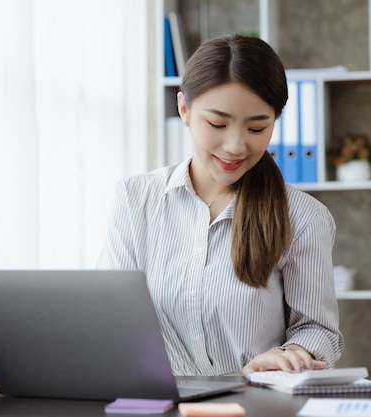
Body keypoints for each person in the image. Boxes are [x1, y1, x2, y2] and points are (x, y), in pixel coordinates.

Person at [97, 33, 344, 377]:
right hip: (156, 403)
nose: (235, 146)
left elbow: (319, 329)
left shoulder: (302, 217)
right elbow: (108, 314)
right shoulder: (136, 199)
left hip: (255, 404)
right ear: (184, 108)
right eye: (217, 124)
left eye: (257, 128)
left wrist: (290, 353)